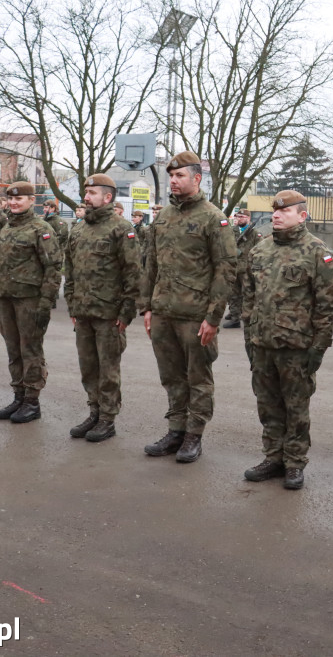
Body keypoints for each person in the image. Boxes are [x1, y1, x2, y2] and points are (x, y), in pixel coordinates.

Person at [140, 152, 238, 462]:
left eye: (179, 175)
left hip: (195, 315)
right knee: (171, 376)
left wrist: (213, 316)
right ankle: (176, 430)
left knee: (198, 377)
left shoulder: (213, 218)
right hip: (164, 313)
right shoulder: (164, 216)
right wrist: (147, 307)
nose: (173, 180)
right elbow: (150, 263)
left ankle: (194, 435)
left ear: (196, 178)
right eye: (171, 175)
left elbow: (226, 268)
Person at [241, 190, 333, 489]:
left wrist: (318, 348)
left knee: (296, 407)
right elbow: (248, 298)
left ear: (302, 215)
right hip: (262, 344)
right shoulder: (259, 251)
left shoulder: (316, 252)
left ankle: (295, 463)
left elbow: (328, 306)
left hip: (296, 348)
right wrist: (249, 338)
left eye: (284, 211)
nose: (276, 215)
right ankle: (273, 457)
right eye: (274, 211)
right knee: (267, 404)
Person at [63, 174, 142, 441]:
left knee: (108, 370)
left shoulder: (121, 228)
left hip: (109, 314)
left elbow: (133, 274)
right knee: (88, 368)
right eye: (86, 192)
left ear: (107, 197)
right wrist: (72, 305)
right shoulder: (79, 229)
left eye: (92, 193)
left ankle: (107, 419)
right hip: (83, 313)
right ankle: (94, 412)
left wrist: (126, 314)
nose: (86, 197)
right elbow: (70, 270)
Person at [0, 182, 63, 424]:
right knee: (13, 350)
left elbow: (53, 268)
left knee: (30, 351)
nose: (14, 203)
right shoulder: (6, 228)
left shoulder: (41, 229)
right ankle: (18, 396)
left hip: (29, 300)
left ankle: (32, 401)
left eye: (20, 199)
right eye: (10, 199)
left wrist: (45, 304)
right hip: (6, 298)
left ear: (32, 201)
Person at [222, 203, 262, 329]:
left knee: (247, 294)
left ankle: (247, 317)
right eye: (238, 216)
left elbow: (259, 250)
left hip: (246, 269)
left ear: (248, 219)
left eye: (242, 217)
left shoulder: (254, 233)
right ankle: (235, 317)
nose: (239, 219)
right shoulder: (232, 231)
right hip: (233, 267)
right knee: (233, 294)